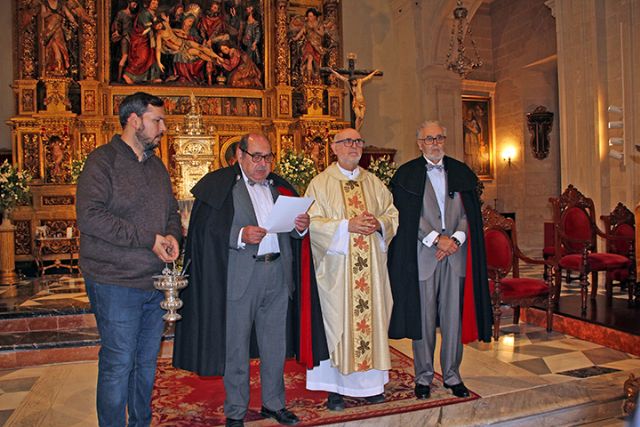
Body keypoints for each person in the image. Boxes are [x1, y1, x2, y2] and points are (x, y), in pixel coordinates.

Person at [173, 133, 329, 427]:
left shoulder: (279, 188)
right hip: (240, 277)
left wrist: (300, 227)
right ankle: (235, 410)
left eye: (267, 157)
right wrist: (239, 236)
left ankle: (274, 403)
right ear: (240, 156)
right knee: (236, 346)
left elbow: (291, 233)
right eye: (256, 157)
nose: (262, 164)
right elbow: (205, 233)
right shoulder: (221, 187)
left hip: (277, 275)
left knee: (275, 345)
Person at [76, 92, 181, 426]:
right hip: (114, 281)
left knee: (146, 362)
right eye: (157, 120)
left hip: (153, 281)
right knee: (119, 361)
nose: (162, 128)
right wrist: (149, 240)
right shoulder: (102, 161)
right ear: (134, 120)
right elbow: (90, 217)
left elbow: (172, 213)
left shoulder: (157, 167)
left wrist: (173, 238)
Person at [387, 120, 492, 400]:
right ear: (419, 143)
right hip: (424, 256)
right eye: (429, 139)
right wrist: (436, 239)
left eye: (439, 138)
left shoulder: (461, 172)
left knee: (452, 320)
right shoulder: (406, 174)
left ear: (444, 140)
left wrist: (455, 239)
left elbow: (470, 213)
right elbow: (407, 217)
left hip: (455, 255)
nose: (434, 143)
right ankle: (422, 377)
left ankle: (452, 375)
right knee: (422, 320)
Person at [304, 128, 399, 411]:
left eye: (358, 141)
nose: (353, 146)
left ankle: (370, 387)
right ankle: (334, 388)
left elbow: (392, 214)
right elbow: (311, 223)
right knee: (337, 325)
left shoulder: (374, 183)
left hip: (371, 272)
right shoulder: (319, 184)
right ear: (333, 148)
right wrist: (347, 226)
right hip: (337, 274)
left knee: (372, 323)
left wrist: (379, 224)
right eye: (346, 142)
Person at [123, 0, 161, 84]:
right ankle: (128, 74)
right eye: (153, 3)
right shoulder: (144, 14)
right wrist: (156, 25)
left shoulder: (153, 14)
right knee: (142, 57)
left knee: (151, 57)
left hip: (150, 38)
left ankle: (151, 77)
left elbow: (156, 24)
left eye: (157, 4)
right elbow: (147, 25)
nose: (155, 5)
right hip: (140, 39)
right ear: (148, 4)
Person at [111, 1, 138, 82]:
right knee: (125, 56)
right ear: (129, 3)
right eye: (134, 4)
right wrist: (116, 31)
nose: (135, 6)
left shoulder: (133, 15)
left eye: (136, 5)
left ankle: (128, 76)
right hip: (125, 37)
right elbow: (116, 23)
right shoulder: (121, 13)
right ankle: (119, 78)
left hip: (133, 38)